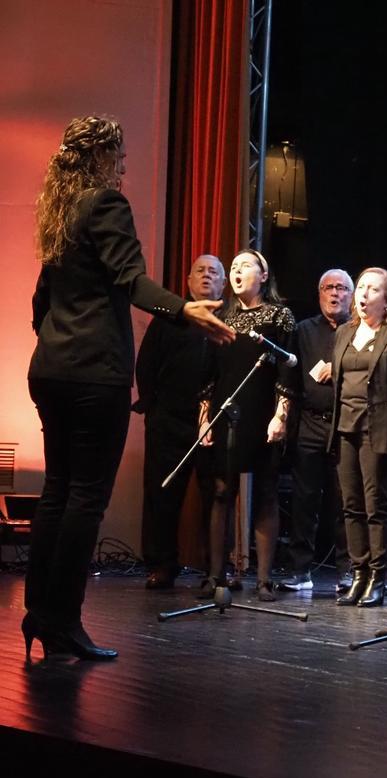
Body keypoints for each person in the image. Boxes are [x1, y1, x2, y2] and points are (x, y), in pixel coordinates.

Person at [24, 115, 233, 661]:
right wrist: (183, 309)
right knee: (85, 498)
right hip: (96, 374)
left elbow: (41, 301)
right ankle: (61, 619)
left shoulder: (60, 211)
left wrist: (56, 341)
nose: (123, 166)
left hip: (51, 369)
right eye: (118, 155)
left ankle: (39, 610)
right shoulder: (106, 204)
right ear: (101, 157)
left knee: (58, 492)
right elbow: (130, 280)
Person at [199, 249, 295, 602]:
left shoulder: (279, 316)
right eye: (234, 267)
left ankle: (265, 579)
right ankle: (215, 575)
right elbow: (209, 373)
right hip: (227, 412)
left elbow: (287, 369)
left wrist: (281, 415)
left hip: (263, 413)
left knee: (266, 493)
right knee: (222, 492)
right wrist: (204, 418)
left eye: (245, 266)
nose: (237, 271)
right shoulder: (222, 315)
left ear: (264, 276)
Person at [136, 254, 226, 590]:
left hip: (214, 424)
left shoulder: (229, 319)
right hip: (168, 420)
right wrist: (152, 407)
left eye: (213, 271)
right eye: (199, 271)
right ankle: (161, 563)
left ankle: (214, 568)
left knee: (215, 495)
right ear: (188, 281)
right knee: (162, 494)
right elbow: (146, 364)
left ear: (223, 283)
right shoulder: (168, 319)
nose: (206, 276)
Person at [331, 268, 387, 607]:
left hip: (378, 428)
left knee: (375, 505)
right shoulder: (344, 333)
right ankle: (358, 573)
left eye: (373, 289)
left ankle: (379, 576)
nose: (364, 293)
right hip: (345, 427)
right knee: (350, 505)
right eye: (362, 287)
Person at [280, 269, 354, 592]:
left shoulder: (360, 329)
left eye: (341, 288)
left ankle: (348, 571)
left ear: (352, 294)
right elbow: (290, 379)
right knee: (304, 500)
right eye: (328, 288)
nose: (335, 293)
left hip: (346, 425)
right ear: (319, 293)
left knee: (345, 502)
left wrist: (336, 372)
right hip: (310, 424)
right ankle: (300, 571)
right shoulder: (303, 330)